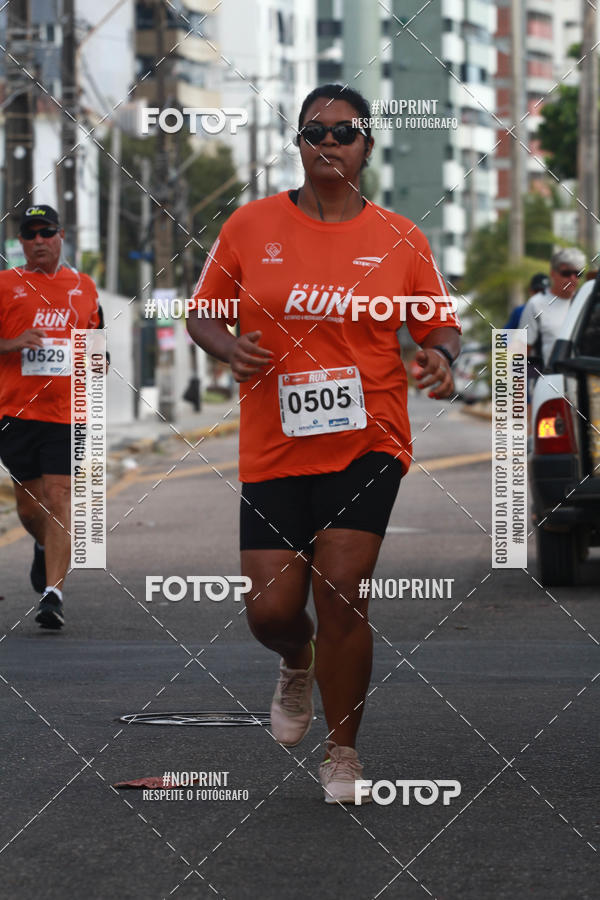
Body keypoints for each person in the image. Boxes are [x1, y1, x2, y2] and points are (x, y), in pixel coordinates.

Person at [187, 85, 461, 804]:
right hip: (275, 444)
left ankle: (343, 751)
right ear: (299, 144)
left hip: (370, 436)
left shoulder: (403, 238)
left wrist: (440, 356)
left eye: (344, 132)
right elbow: (204, 314)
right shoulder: (250, 226)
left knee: (342, 588)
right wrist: (227, 348)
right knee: (273, 612)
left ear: (368, 146)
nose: (329, 143)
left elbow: (437, 324)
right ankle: (294, 659)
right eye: (315, 131)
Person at [0, 205, 100, 629]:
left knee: (59, 497)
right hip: (16, 411)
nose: (39, 240)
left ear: (62, 236)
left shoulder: (84, 286)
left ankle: (53, 594)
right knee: (29, 506)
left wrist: (99, 361)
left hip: (67, 412)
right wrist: (13, 342)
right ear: (20, 242)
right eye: (30, 234)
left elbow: (96, 342)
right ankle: (44, 550)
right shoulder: (5, 285)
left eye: (47, 232)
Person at [520, 249, 586, 369]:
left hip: (583, 382)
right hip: (548, 380)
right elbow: (521, 351)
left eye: (577, 274)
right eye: (566, 273)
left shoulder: (585, 301)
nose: (572, 278)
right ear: (553, 273)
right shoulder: (536, 304)